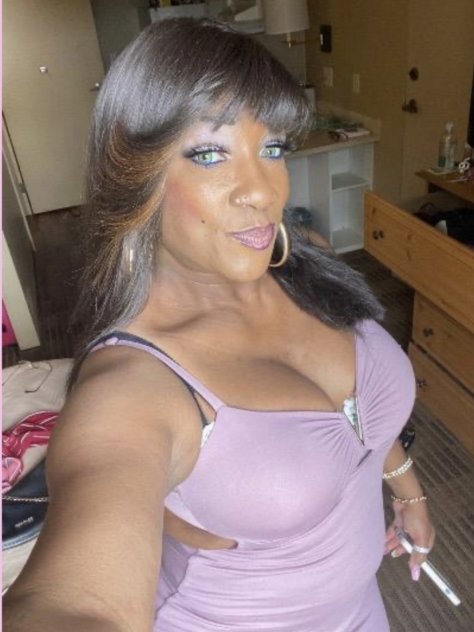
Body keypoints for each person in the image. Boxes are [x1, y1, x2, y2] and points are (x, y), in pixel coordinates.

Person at [4, 18, 435, 632]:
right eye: (210, 154)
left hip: (364, 611)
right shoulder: (132, 390)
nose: (262, 191)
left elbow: (361, 418)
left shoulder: (306, 261)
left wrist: (407, 488)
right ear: (135, 176)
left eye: (273, 149)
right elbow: (77, 601)